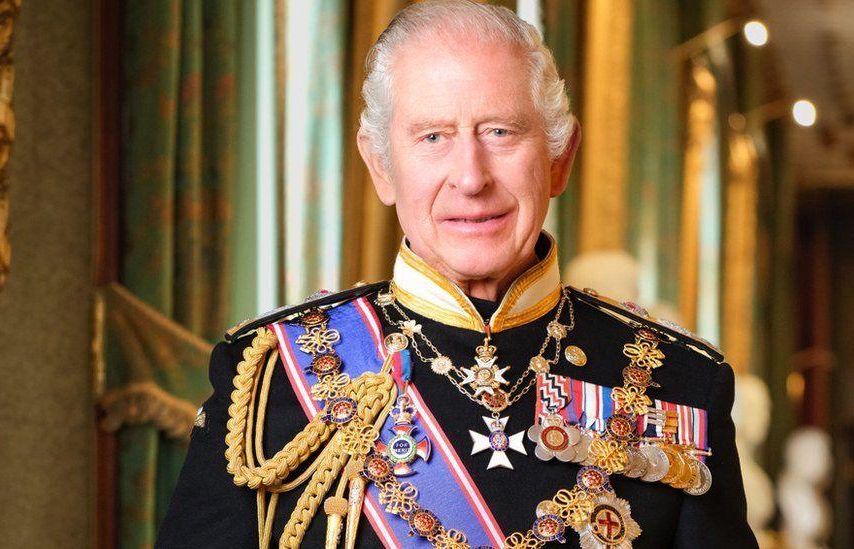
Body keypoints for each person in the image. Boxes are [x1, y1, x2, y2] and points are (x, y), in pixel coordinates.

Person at [157, 1, 757, 547]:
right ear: (381, 167)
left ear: (559, 157)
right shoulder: (271, 376)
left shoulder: (679, 384)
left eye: (500, 131)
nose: (470, 177)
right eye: (433, 137)